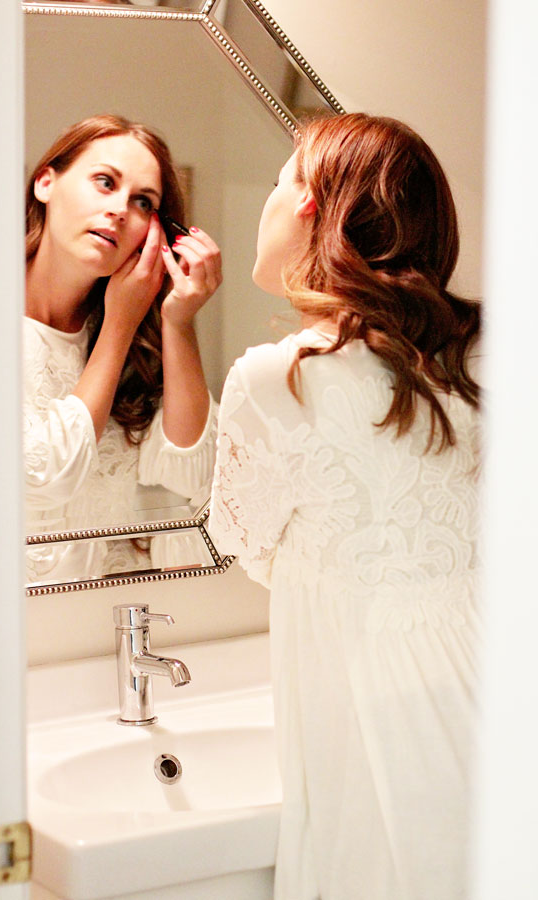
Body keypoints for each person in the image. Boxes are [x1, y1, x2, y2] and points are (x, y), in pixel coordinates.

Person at [209, 113, 481, 900]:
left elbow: (246, 544)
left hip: (380, 715)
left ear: (308, 203)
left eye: (278, 179)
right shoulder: (481, 355)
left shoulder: (278, 378)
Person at [24, 114, 222, 582]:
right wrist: (120, 324)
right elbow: (43, 473)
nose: (118, 209)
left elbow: (193, 478)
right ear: (46, 183)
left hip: (97, 609)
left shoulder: (134, 340)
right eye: (104, 182)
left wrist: (178, 320)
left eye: (142, 202)